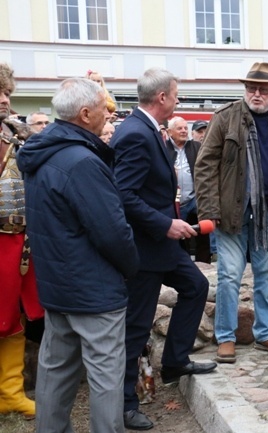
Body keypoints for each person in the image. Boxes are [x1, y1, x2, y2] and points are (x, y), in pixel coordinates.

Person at [16, 77, 139, 432]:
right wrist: (130, 266)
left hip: (58, 286)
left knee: (55, 370)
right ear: (85, 114)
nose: (108, 113)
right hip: (93, 289)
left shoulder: (43, 153)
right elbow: (111, 230)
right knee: (105, 378)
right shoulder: (81, 161)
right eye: (104, 107)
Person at [112, 67, 215, 431]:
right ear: (161, 98)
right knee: (136, 327)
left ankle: (174, 362)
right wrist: (164, 223)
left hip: (162, 245)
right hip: (143, 247)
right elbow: (123, 195)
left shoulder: (147, 130)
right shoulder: (135, 134)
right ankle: (124, 405)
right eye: (176, 94)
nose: (178, 99)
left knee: (196, 286)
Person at [194, 62, 268, 364]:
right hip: (232, 213)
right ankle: (226, 336)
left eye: (262, 89)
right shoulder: (225, 118)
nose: (256, 94)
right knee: (230, 275)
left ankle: (265, 333)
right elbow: (205, 165)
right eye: (251, 88)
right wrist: (209, 210)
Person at [0, 62, 44, 419]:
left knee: (13, 315)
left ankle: (11, 393)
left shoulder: (20, 133)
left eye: (7, 93)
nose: (4, 100)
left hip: (19, 239)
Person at [166, 116, 211, 263]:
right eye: (180, 128)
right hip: (175, 201)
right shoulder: (163, 148)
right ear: (170, 131)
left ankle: (204, 263)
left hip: (195, 198)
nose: (184, 131)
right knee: (180, 236)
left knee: (202, 234)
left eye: (186, 128)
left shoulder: (196, 147)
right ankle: (183, 264)